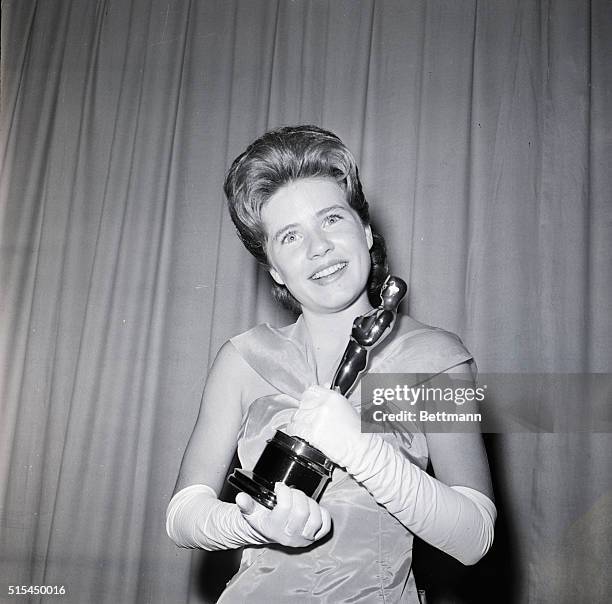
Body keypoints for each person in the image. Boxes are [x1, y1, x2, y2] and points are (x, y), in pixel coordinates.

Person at [166, 125, 496, 602]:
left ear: (364, 231)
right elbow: (182, 515)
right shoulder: (242, 360)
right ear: (275, 268)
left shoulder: (437, 359)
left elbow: (474, 537)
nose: (317, 247)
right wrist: (252, 522)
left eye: (332, 220)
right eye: (290, 236)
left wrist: (361, 449)